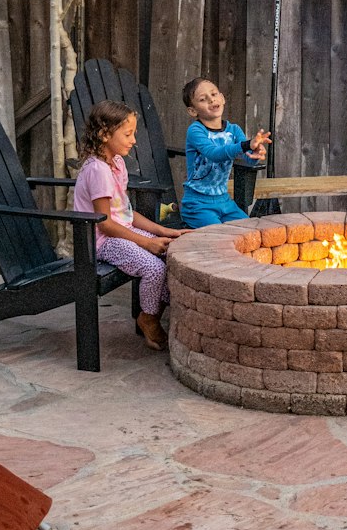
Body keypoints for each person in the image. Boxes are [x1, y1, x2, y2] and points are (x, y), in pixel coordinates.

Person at [73, 99, 183, 351]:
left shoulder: (117, 164)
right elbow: (106, 225)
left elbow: (126, 214)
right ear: (104, 135)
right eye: (128, 134)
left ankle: (155, 311)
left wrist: (163, 231)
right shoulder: (98, 171)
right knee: (154, 268)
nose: (133, 140)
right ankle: (149, 317)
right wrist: (146, 242)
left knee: (170, 253)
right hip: (100, 243)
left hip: (120, 232)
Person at [180, 77, 271, 228]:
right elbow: (214, 153)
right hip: (198, 205)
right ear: (192, 111)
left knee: (250, 231)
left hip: (225, 202)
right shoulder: (196, 131)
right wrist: (247, 144)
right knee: (221, 237)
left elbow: (246, 157)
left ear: (222, 98)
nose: (211, 99)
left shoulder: (234, 130)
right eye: (203, 99)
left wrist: (255, 152)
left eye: (214, 94)